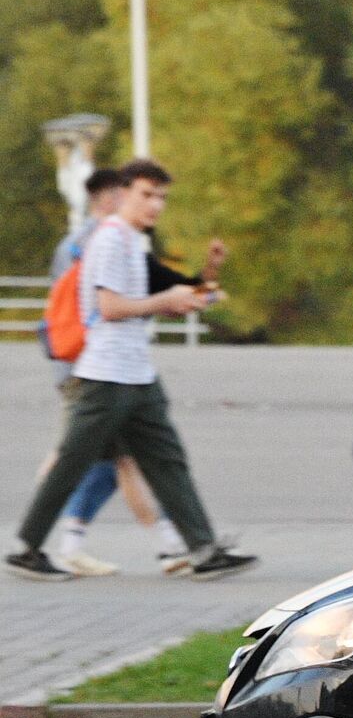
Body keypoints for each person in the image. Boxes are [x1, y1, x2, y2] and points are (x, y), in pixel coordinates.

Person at [7, 159, 256, 582]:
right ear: (124, 194)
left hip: (137, 376)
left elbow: (187, 291)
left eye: (161, 197)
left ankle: (203, 549)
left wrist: (208, 274)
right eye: (146, 194)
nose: (155, 204)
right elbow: (109, 307)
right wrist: (166, 301)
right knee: (72, 462)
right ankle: (28, 549)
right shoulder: (108, 241)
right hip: (103, 376)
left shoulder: (135, 244)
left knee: (167, 461)